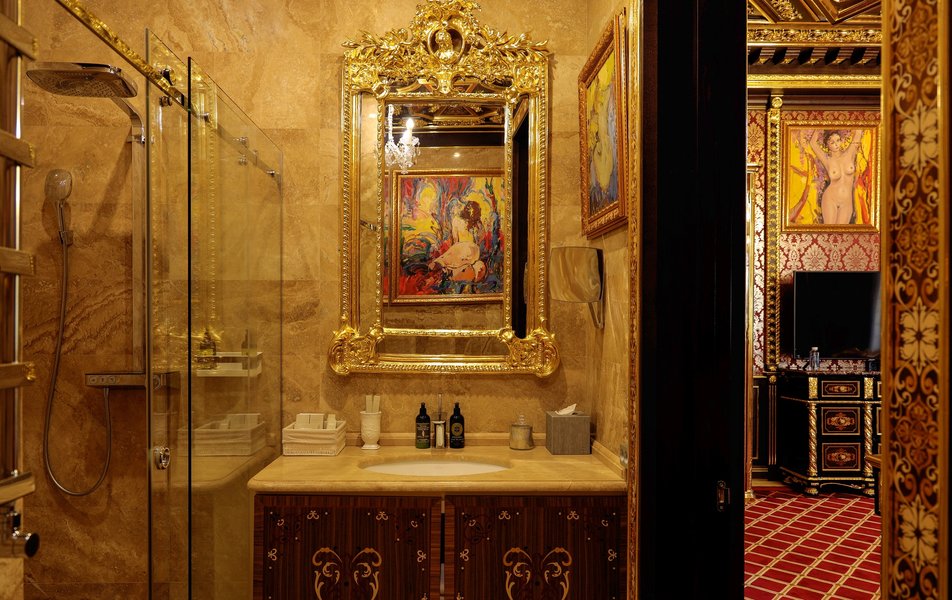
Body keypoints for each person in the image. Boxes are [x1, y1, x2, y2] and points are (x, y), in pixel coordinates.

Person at [809, 129, 863, 225]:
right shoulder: (827, 160)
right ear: (827, 145)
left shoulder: (849, 153)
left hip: (847, 202)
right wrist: (818, 125)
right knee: (829, 231)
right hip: (830, 199)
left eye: (838, 140)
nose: (836, 144)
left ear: (841, 140)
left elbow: (858, 132)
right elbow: (813, 143)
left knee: (841, 232)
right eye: (832, 142)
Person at [428, 200, 486, 282]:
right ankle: (443, 266)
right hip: (469, 249)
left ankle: (440, 263)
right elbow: (479, 240)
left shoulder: (458, 221)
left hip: (466, 248)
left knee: (455, 253)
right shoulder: (476, 224)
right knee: (459, 254)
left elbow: (456, 240)